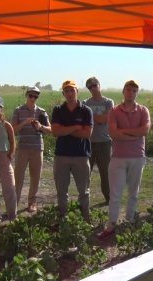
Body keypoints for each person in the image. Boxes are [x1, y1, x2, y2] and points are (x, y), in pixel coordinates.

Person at [97, 80, 150, 240]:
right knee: (115, 194)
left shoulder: (143, 111)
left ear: (137, 93)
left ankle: (130, 221)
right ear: (123, 91)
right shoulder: (114, 111)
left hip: (137, 157)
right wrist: (134, 133)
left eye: (134, 90)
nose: (131, 93)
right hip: (118, 158)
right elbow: (113, 133)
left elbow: (145, 130)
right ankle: (111, 224)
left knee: (133, 193)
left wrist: (124, 132)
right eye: (128, 90)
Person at [51, 80, 93, 220]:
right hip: (61, 156)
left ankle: (85, 219)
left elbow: (87, 134)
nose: (69, 93)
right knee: (62, 191)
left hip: (81, 156)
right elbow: (55, 131)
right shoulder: (58, 110)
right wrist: (75, 127)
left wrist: (65, 130)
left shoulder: (86, 111)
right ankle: (63, 218)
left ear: (77, 92)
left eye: (72, 90)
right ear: (63, 93)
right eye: (66, 91)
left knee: (84, 192)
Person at [11, 86, 51, 213]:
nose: (33, 98)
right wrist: (25, 123)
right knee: (18, 177)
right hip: (22, 148)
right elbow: (12, 130)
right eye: (31, 95)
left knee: (35, 177)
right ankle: (14, 203)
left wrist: (40, 127)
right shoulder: (18, 110)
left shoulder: (41, 112)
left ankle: (32, 202)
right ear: (26, 95)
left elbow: (50, 130)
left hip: (37, 147)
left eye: (36, 96)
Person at [84, 77, 114, 204]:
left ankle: (109, 198)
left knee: (105, 172)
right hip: (88, 142)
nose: (93, 88)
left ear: (99, 85)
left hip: (104, 142)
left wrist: (92, 117)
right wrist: (98, 117)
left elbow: (105, 119)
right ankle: (84, 197)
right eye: (90, 87)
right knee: (86, 172)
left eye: (94, 85)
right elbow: (85, 121)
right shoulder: (85, 102)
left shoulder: (108, 102)